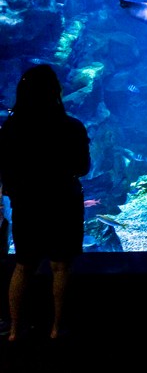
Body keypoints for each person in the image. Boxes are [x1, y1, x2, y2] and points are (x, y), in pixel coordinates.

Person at [0, 64, 91, 342]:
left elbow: (6, 171)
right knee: (61, 266)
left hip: (27, 204)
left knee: (23, 265)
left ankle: (14, 330)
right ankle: (56, 328)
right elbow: (83, 167)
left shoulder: (10, 128)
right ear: (55, 91)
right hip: (63, 202)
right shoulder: (71, 127)